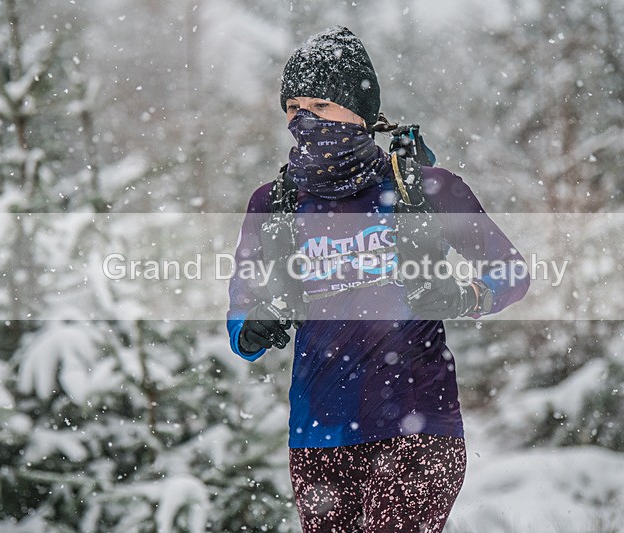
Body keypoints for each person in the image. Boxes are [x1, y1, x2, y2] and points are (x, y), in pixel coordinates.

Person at [226, 26, 529, 532]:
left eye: (320, 106)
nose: (304, 121)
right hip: (317, 440)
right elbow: (241, 311)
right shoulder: (273, 204)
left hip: (417, 428)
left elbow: (511, 272)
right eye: (293, 109)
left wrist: (466, 295)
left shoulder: (424, 189)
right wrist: (251, 328)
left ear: (360, 114)